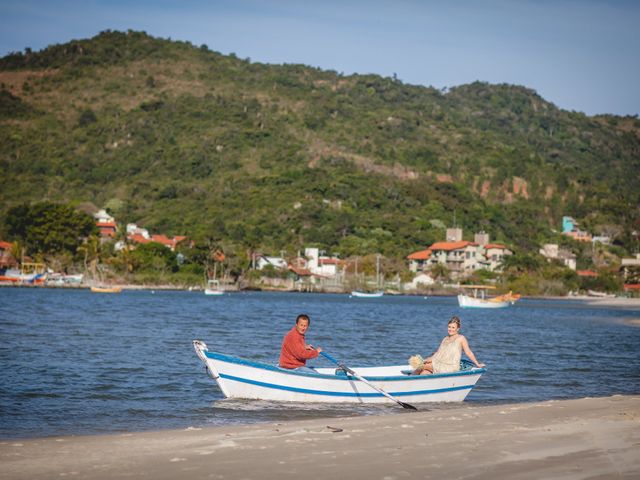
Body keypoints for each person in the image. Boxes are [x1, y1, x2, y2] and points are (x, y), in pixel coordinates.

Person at [415, 316, 485, 374]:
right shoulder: (445, 339)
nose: (450, 329)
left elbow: (468, 352)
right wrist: (428, 359)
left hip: (450, 367)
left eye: (453, 327)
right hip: (439, 363)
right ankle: (416, 385)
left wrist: (477, 364)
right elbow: (438, 353)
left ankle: (410, 379)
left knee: (422, 366)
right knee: (424, 371)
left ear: (458, 329)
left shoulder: (461, 338)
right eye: (449, 327)